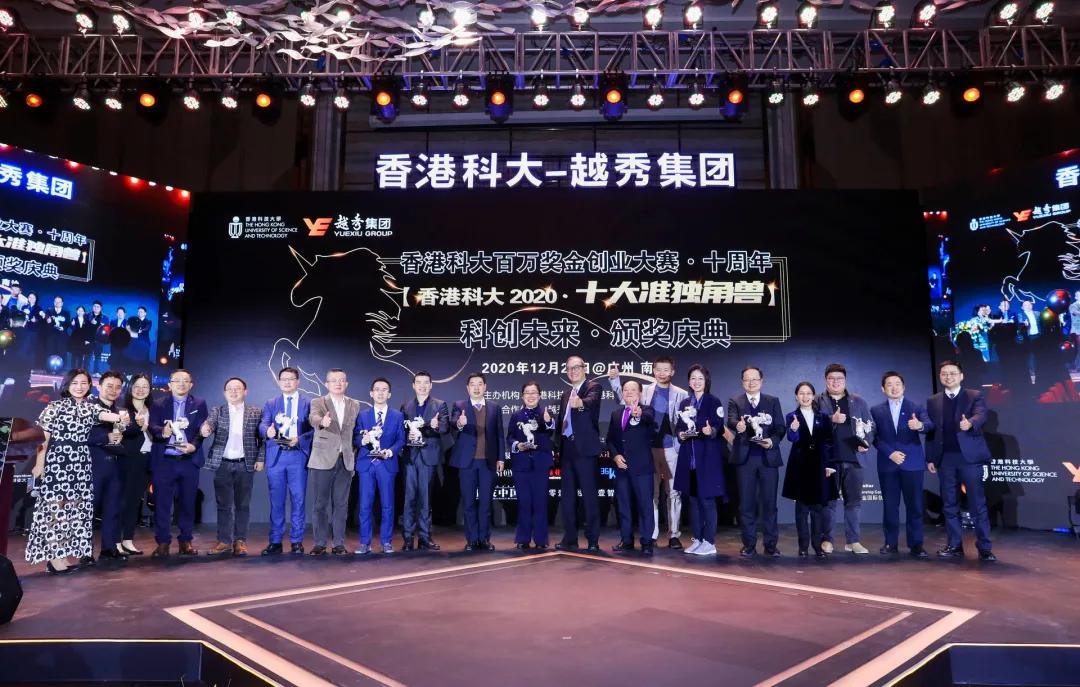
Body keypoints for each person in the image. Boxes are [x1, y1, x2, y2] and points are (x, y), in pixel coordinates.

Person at [25, 368, 121, 574]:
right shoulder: (55, 407)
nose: (79, 387)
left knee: (74, 511)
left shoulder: (90, 408)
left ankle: (63, 555)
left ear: (90, 386)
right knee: (56, 510)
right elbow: (43, 440)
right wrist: (40, 464)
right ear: (67, 384)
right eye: (75, 383)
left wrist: (122, 417)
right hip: (58, 462)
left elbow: (106, 414)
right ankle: (54, 558)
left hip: (81, 463)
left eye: (84, 383)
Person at [609, 356, 689, 549]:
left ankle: (674, 535)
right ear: (653, 371)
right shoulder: (644, 390)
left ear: (672, 372)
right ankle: (651, 535)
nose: (662, 373)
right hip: (648, 449)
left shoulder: (682, 394)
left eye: (666, 369)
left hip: (671, 447)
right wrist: (614, 380)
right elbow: (624, 397)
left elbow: (685, 419)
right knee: (650, 494)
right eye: (658, 369)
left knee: (673, 493)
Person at [925, 360, 996, 561]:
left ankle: (984, 547)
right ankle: (954, 545)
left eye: (952, 373)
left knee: (977, 504)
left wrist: (970, 423)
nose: (948, 377)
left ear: (961, 376)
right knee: (949, 505)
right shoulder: (933, 400)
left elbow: (981, 415)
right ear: (940, 376)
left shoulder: (974, 395)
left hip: (969, 459)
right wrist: (930, 458)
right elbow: (931, 431)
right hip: (945, 459)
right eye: (944, 374)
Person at [201, 377, 264, 557]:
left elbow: (263, 439)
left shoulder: (255, 412)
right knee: (223, 505)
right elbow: (210, 423)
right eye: (230, 389)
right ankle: (224, 541)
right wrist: (206, 428)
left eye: (238, 388)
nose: (233, 391)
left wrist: (260, 459)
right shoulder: (218, 411)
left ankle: (240, 541)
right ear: (224, 393)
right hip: (222, 463)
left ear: (245, 392)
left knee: (243, 505)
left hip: (245, 464)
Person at [148, 368, 209, 557]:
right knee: (162, 504)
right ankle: (163, 542)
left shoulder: (199, 403)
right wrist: (162, 431)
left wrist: (194, 446)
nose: (181, 384)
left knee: (188, 503)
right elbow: (152, 426)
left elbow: (201, 429)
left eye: (185, 380)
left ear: (191, 384)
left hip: (188, 461)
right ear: (170, 384)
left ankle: (185, 541)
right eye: (177, 380)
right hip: (165, 460)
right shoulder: (158, 404)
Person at [871, 371, 931, 559]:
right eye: (889, 384)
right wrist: (891, 453)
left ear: (903, 387)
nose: (894, 387)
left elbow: (930, 425)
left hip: (912, 464)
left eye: (897, 384)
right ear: (883, 389)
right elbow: (874, 437)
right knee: (890, 506)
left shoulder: (916, 407)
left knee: (915, 506)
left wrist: (919, 426)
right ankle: (890, 543)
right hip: (888, 464)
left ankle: (916, 544)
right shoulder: (876, 410)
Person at [727, 366, 785, 557]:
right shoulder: (735, 401)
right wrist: (738, 426)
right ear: (742, 382)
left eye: (754, 379)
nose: (751, 383)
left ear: (761, 381)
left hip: (768, 459)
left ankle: (771, 545)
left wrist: (772, 441)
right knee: (746, 504)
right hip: (745, 461)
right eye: (747, 379)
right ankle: (749, 544)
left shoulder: (772, 401)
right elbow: (731, 420)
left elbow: (780, 428)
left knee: (769, 504)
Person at [816, 363, 874, 556]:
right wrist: (830, 420)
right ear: (826, 381)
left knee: (853, 503)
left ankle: (853, 541)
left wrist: (865, 443)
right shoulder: (818, 401)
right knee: (828, 503)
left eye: (839, 378)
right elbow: (811, 426)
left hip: (854, 460)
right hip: (829, 461)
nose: (835, 382)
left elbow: (870, 426)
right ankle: (827, 540)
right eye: (831, 379)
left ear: (845, 380)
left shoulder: (858, 401)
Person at [672, 364, 730, 556]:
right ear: (689, 382)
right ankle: (697, 539)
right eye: (693, 378)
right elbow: (679, 426)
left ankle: (709, 541)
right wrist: (680, 434)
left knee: (707, 501)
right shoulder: (684, 403)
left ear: (706, 381)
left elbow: (719, 426)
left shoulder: (713, 401)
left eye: (700, 378)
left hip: (707, 458)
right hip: (689, 459)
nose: (696, 382)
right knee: (693, 500)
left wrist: (710, 430)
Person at [449, 373, 505, 551]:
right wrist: (460, 423)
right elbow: (453, 423)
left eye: (480, 384)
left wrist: (501, 458)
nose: (476, 387)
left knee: (486, 503)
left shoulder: (494, 407)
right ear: (467, 388)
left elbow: (499, 434)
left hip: (488, 462)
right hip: (467, 463)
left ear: (485, 387)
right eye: (472, 384)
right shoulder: (459, 405)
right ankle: (472, 540)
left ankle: (484, 539)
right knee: (469, 503)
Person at [260, 367, 313, 555]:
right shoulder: (271, 403)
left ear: (298, 381)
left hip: (297, 455)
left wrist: (300, 439)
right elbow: (263, 423)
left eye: (291, 379)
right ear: (279, 382)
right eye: (283, 379)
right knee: (276, 501)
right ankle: (275, 541)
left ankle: (297, 541)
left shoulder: (308, 403)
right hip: (277, 456)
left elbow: (314, 429)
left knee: (298, 500)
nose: (287, 382)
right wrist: (267, 431)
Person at [307, 368, 359, 556]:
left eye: (342, 380)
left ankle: (338, 544)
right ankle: (320, 543)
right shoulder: (318, 402)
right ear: (326, 384)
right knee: (320, 504)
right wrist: (322, 422)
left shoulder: (354, 404)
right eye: (334, 380)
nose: (338, 383)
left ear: (346, 383)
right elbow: (313, 418)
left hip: (345, 460)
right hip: (322, 460)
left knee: (341, 505)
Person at [782, 382, 837, 558]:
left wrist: (830, 465)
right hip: (800, 466)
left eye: (808, 393)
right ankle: (803, 547)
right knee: (801, 510)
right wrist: (793, 429)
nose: (805, 397)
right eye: (801, 393)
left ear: (813, 396)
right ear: (796, 396)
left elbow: (829, 442)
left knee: (818, 510)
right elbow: (792, 438)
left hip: (820, 466)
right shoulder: (791, 416)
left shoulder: (824, 417)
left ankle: (817, 546)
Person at [555, 355, 603, 552]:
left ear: (584, 368)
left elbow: (591, 401)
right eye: (569, 368)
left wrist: (580, 403)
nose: (572, 371)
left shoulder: (593, 387)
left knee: (589, 496)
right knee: (568, 497)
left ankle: (592, 539)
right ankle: (570, 538)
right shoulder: (566, 394)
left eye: (576, 367)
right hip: (567, 449)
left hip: (585, 451)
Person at [399, 370, 449, 551]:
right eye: (418, 382)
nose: (422, 386)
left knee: (425, 500)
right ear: (413, 385)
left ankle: (425, 538)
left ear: (431, 385)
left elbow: (444, 428)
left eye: (426, 382)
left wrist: (431, 426)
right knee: (409, 500)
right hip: (410, 457)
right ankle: (407, 539)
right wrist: (409, 435)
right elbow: (401, 431)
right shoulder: (406, 406)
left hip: (429, 456)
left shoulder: (440, 405)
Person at [353, 377, 404, 554]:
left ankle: (386, 542)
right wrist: (363, 440)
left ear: (389, 394)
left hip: (387, 464)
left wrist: (390, 451)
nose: (380, 393)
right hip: (366, 464)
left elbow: (401, 440)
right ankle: (364, 543)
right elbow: (356, 438)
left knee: (388, 505)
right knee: (365, 505)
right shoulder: (362, 415)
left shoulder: (397, 416)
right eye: (377, 389)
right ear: (371, 393)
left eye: (384, 390)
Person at [606, 379, 657, 555]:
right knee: (623, 506)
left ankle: (647, 542)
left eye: (633, 390)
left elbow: (648, 419)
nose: (628, 392)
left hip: (642, 468)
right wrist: (615, 456)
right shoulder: (616, 414)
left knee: (645, 506)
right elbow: (610, 440)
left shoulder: (647, 410)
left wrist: (638, 415)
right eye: (625, 390)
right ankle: (626, 540)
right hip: (622, 468)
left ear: (640, 393)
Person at [84, 370, 130, 565]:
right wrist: (105, 437)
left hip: (116, 465)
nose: (113, 390)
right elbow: (80, 435)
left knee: (113, 508)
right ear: (98, 386)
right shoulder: (88, 408)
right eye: (109, 386)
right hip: (94, 464)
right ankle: (84, 552)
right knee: (89, 509)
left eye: (118, 387)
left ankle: (109, 549)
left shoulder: (121, 411)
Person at [506, 381, 555, 550]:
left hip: (540, 464)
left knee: (540, 502)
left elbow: (551, 430)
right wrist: (517, 445)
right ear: (522, 396)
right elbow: (510, 437)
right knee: (524, 502)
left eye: (534, 392)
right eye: (527, 392)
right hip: (521, 464)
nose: (531, 395)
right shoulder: (516, 415)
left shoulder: (546, 412)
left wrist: (548, 421)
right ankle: (523, 538)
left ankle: (541, 540)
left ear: (539, 396)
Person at [117, 373, 153, 555]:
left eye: (145, 386)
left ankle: (128, 540)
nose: (141, 390)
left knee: (135, 501)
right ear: (130, 388)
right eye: (137, 386)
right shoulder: (123, 409)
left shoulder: (153, 409)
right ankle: (116, 541)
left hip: (147, 460)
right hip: (128, 460)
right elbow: (124, 432)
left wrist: (149, 427)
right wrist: (139, 426)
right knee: (122, 501)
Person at [44, 296, 70, 365]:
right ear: (54, 302)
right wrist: (47, 321)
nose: (57, 303)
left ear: (62, 303)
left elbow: (68, 324)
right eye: (56, 301)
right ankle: (48, 367)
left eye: (59, 302)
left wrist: (63, 328)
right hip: (51, 335)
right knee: (50, 351)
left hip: (62, 336)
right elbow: (45, 323)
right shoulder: (49, 311)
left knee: (61, 352)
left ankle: (61, 368)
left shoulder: (66, 312)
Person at [68, 306, 95, 370]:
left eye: (82, 311)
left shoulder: (87, 321)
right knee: (74, 356)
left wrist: (87, 340)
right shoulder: (73, 319)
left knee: (81, 356)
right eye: (79, 310)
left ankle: (79, 370)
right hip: (74, 340)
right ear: (76, 311)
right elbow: (70, 329)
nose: (80, 312)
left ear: (84, 312)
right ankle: (72, 370)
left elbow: (89, 332)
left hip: (83, 341)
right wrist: (72, 325)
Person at [88, 301, 107, 374]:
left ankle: (96, 372)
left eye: (97, 307)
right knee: (88, 356)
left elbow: (106, 329)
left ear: (101, 308)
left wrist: (97, 324)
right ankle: (86, 372)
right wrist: (90, 323)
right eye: (94, 306)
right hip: (89, 339)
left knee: (98, 357)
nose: (96, 308)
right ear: (92, 307)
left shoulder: (105, 317)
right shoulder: (88, 316)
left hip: (99, 340)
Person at [1069, 291, 1080, 371]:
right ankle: (1078, 366)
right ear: (1076, 297)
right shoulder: (1073, 305)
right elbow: (1075, 313)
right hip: (1078, 330)